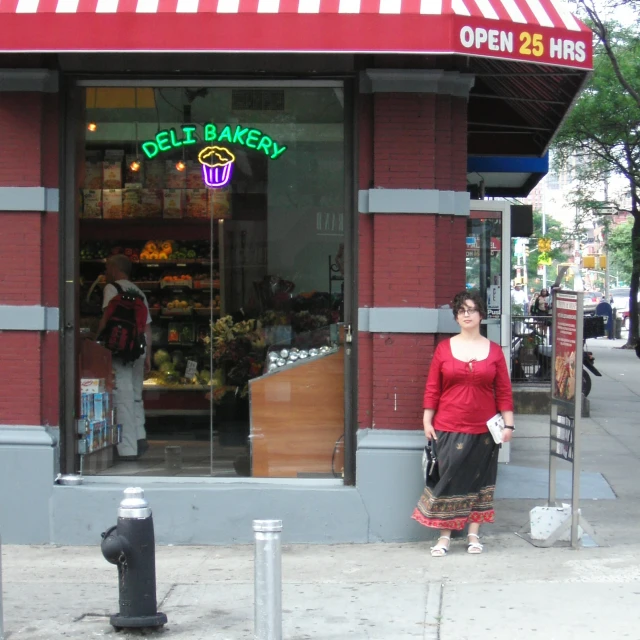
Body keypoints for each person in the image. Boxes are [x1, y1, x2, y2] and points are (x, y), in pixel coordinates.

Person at [412, 290, 514, 556]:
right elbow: (432, 387)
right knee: (449, 480)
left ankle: (473, 535)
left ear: (481, 314)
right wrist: (427, 419)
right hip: (448, 425)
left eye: (471, 309)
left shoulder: (493, 351)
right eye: (461, 311)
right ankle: (444, 538)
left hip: (485, 430)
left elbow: (503, 390)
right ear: (456, 316)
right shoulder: (444, 349)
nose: (466, 315)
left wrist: (509, 425)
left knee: (480, 482)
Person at [97, 254, 152, 461]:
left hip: (121, 350)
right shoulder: (139, 292)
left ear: (113, 268)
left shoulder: (111, 289)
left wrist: (98, 340)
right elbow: (146, 326)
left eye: (107, 268)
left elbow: (106, 318)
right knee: (136, 395)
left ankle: (127, 449)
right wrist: (148, 355)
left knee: (123, 397)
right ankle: (140, 438)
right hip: (139, 348)